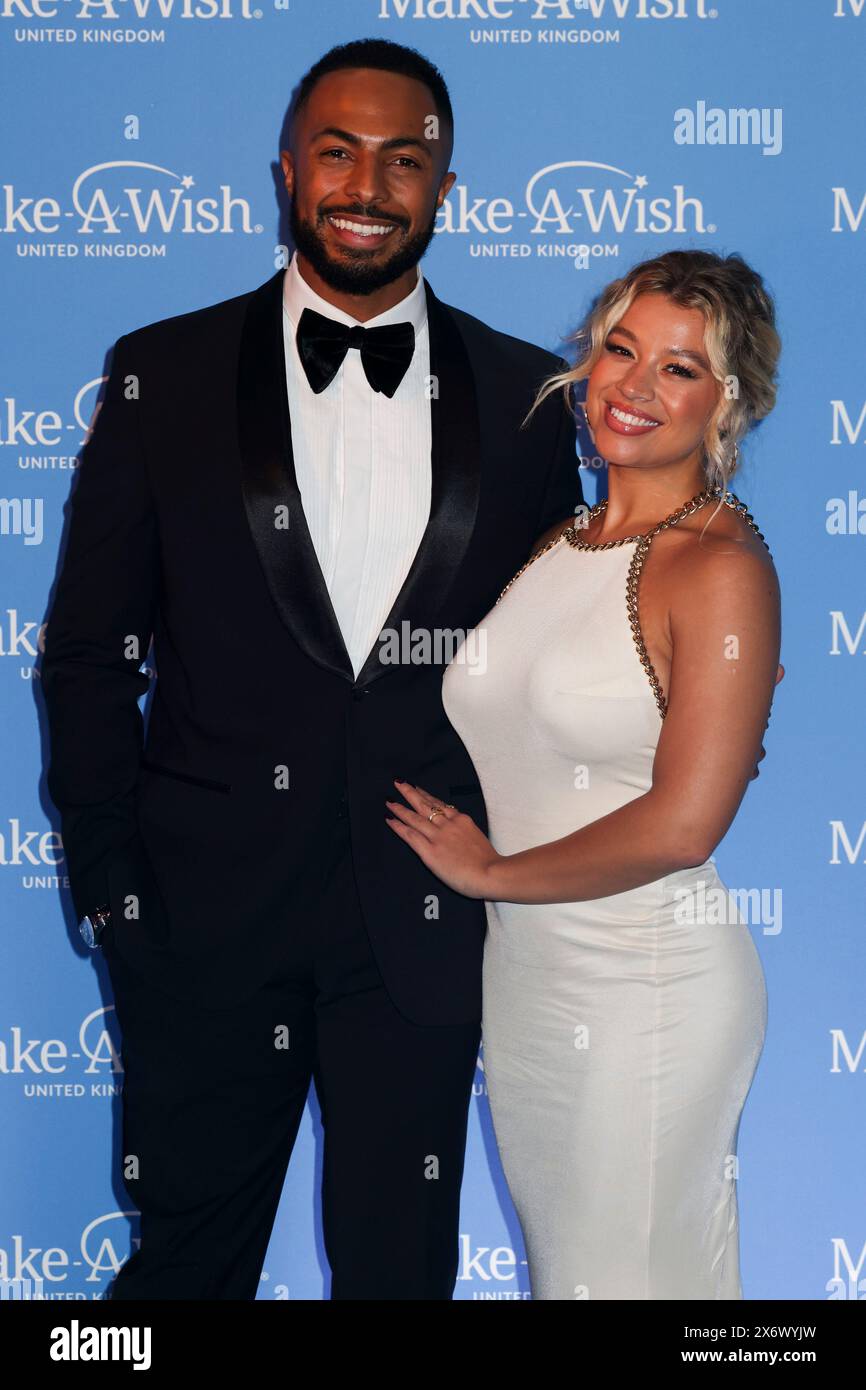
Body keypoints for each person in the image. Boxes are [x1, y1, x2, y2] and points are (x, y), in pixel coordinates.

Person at [40, 38, 583, 1300]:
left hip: (422, 919)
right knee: (183, 1271)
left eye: (404, 158)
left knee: (402, 1277)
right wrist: (114, 886)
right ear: (286, 171)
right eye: (337, 150)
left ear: (446, 188)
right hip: (200, 918)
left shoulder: (524, 400)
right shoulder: (159, 372)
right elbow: (85, 654)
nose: (366, 184)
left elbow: (562, 656)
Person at [386, 249, 782, 1299]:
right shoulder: (559, 539)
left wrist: (486, 874)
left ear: (726, 404)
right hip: (529, 985)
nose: (634, 387)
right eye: (619, 349)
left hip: (646, 985)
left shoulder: (718, 565)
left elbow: (682, 824)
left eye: (679, 369)